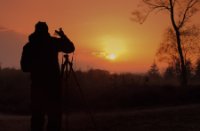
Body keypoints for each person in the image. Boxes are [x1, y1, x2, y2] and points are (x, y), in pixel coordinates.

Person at [20, 21, 75, 131]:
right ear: (47, 31)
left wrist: (36, 67)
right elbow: (70, 48)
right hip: (53, 87)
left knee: (37, 119)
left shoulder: (28, 46)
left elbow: (24, 67)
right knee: (54, 118)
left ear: (35, 30)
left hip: (37, 87)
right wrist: (63, 36)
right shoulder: (52, 42)